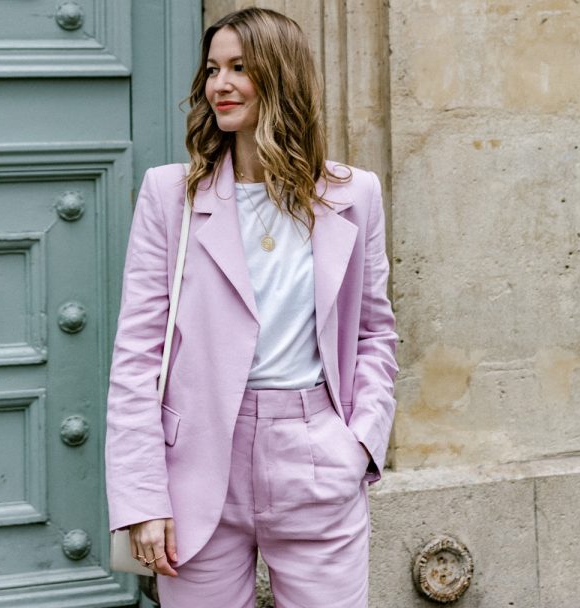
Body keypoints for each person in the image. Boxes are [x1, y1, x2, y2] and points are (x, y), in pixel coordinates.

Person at [105, 7, 397, 607]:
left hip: (316, 454)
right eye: (213, 69)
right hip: (197, 467)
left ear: (281, 76)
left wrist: (360, 443)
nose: (221, 84)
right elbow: (138, 355)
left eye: (240, 67)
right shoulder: (171, 196)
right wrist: (143, 498)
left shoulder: (354, 194)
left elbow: (374, 332)